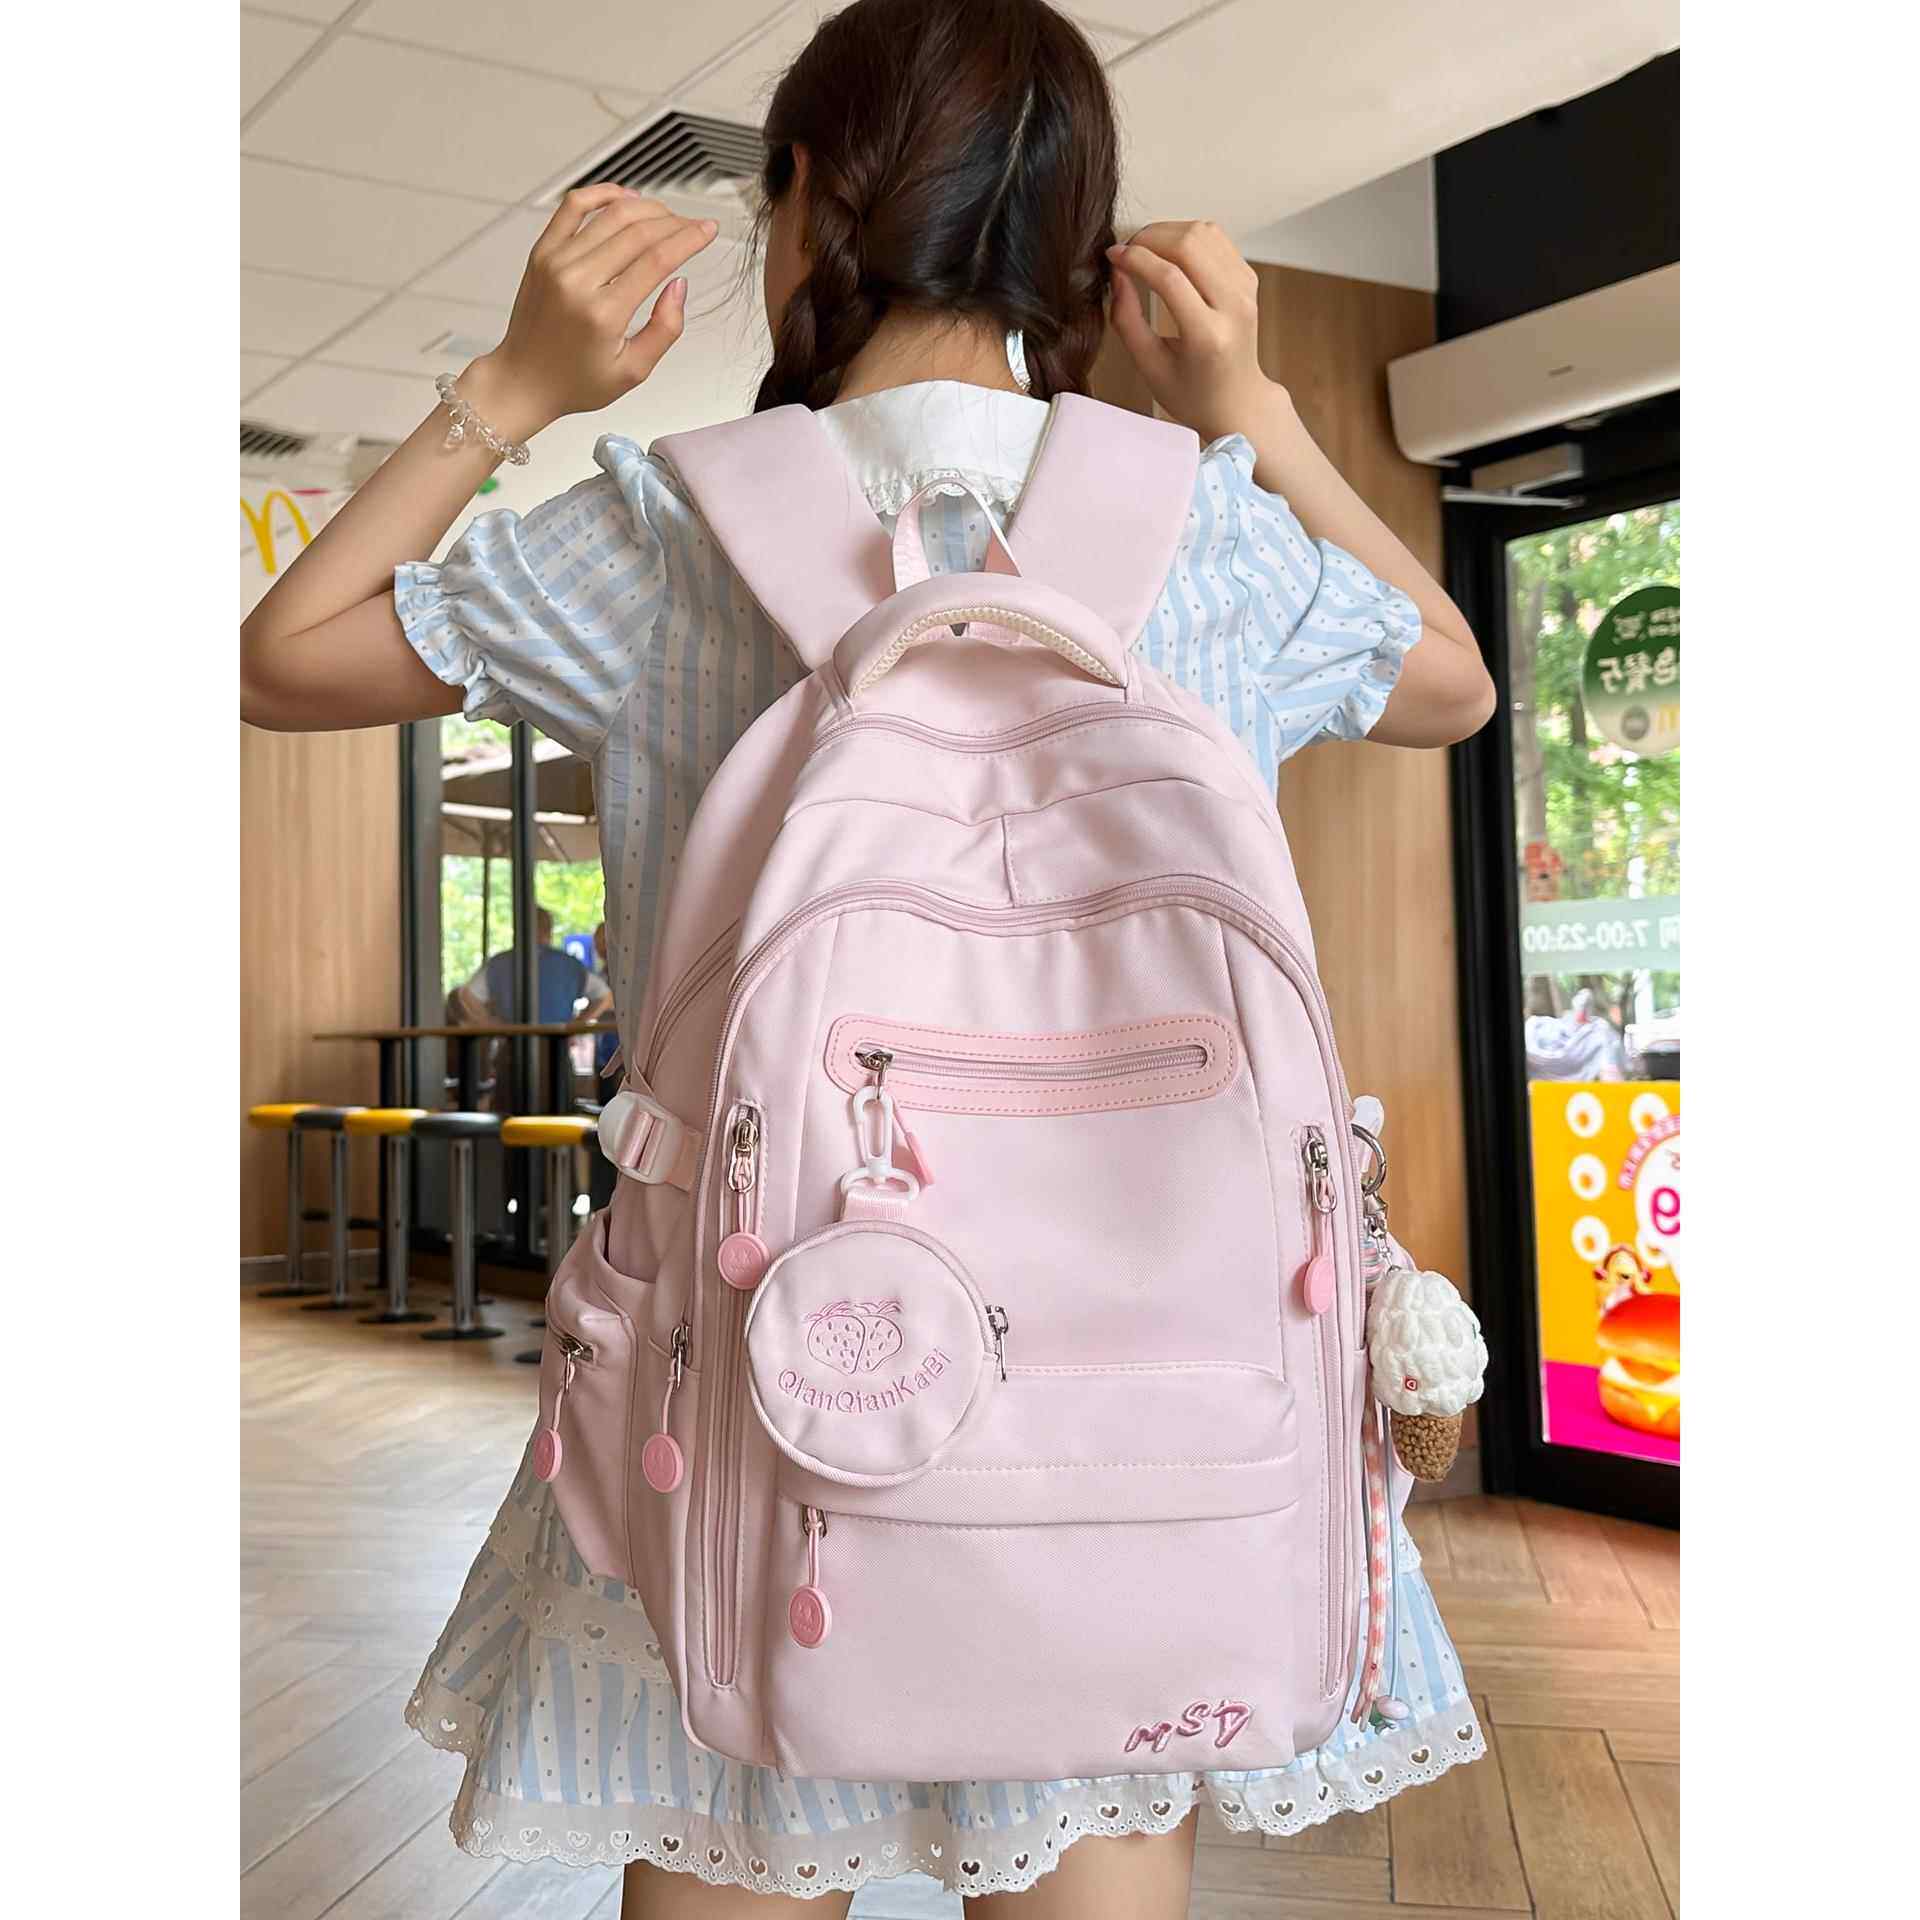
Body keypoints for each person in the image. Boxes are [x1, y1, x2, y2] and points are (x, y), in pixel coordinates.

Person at [239, 4, 1496, 1911]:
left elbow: (282, 658)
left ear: (806, 202)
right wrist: (1253, 408)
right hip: (1142, 1403)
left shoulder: (664, 533)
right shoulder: (1207, 538)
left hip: (747, 1383)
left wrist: (511, 385)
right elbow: (1456, 684)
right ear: (1077, 243)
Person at [454, 905, 614, 1027]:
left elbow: (466, 996)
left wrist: (492, 1024)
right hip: (557, 1044)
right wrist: (576, 1025)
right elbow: (604, 996)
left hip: (511, 1043)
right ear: (548, 931)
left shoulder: (499, 963)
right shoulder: (570, 965)